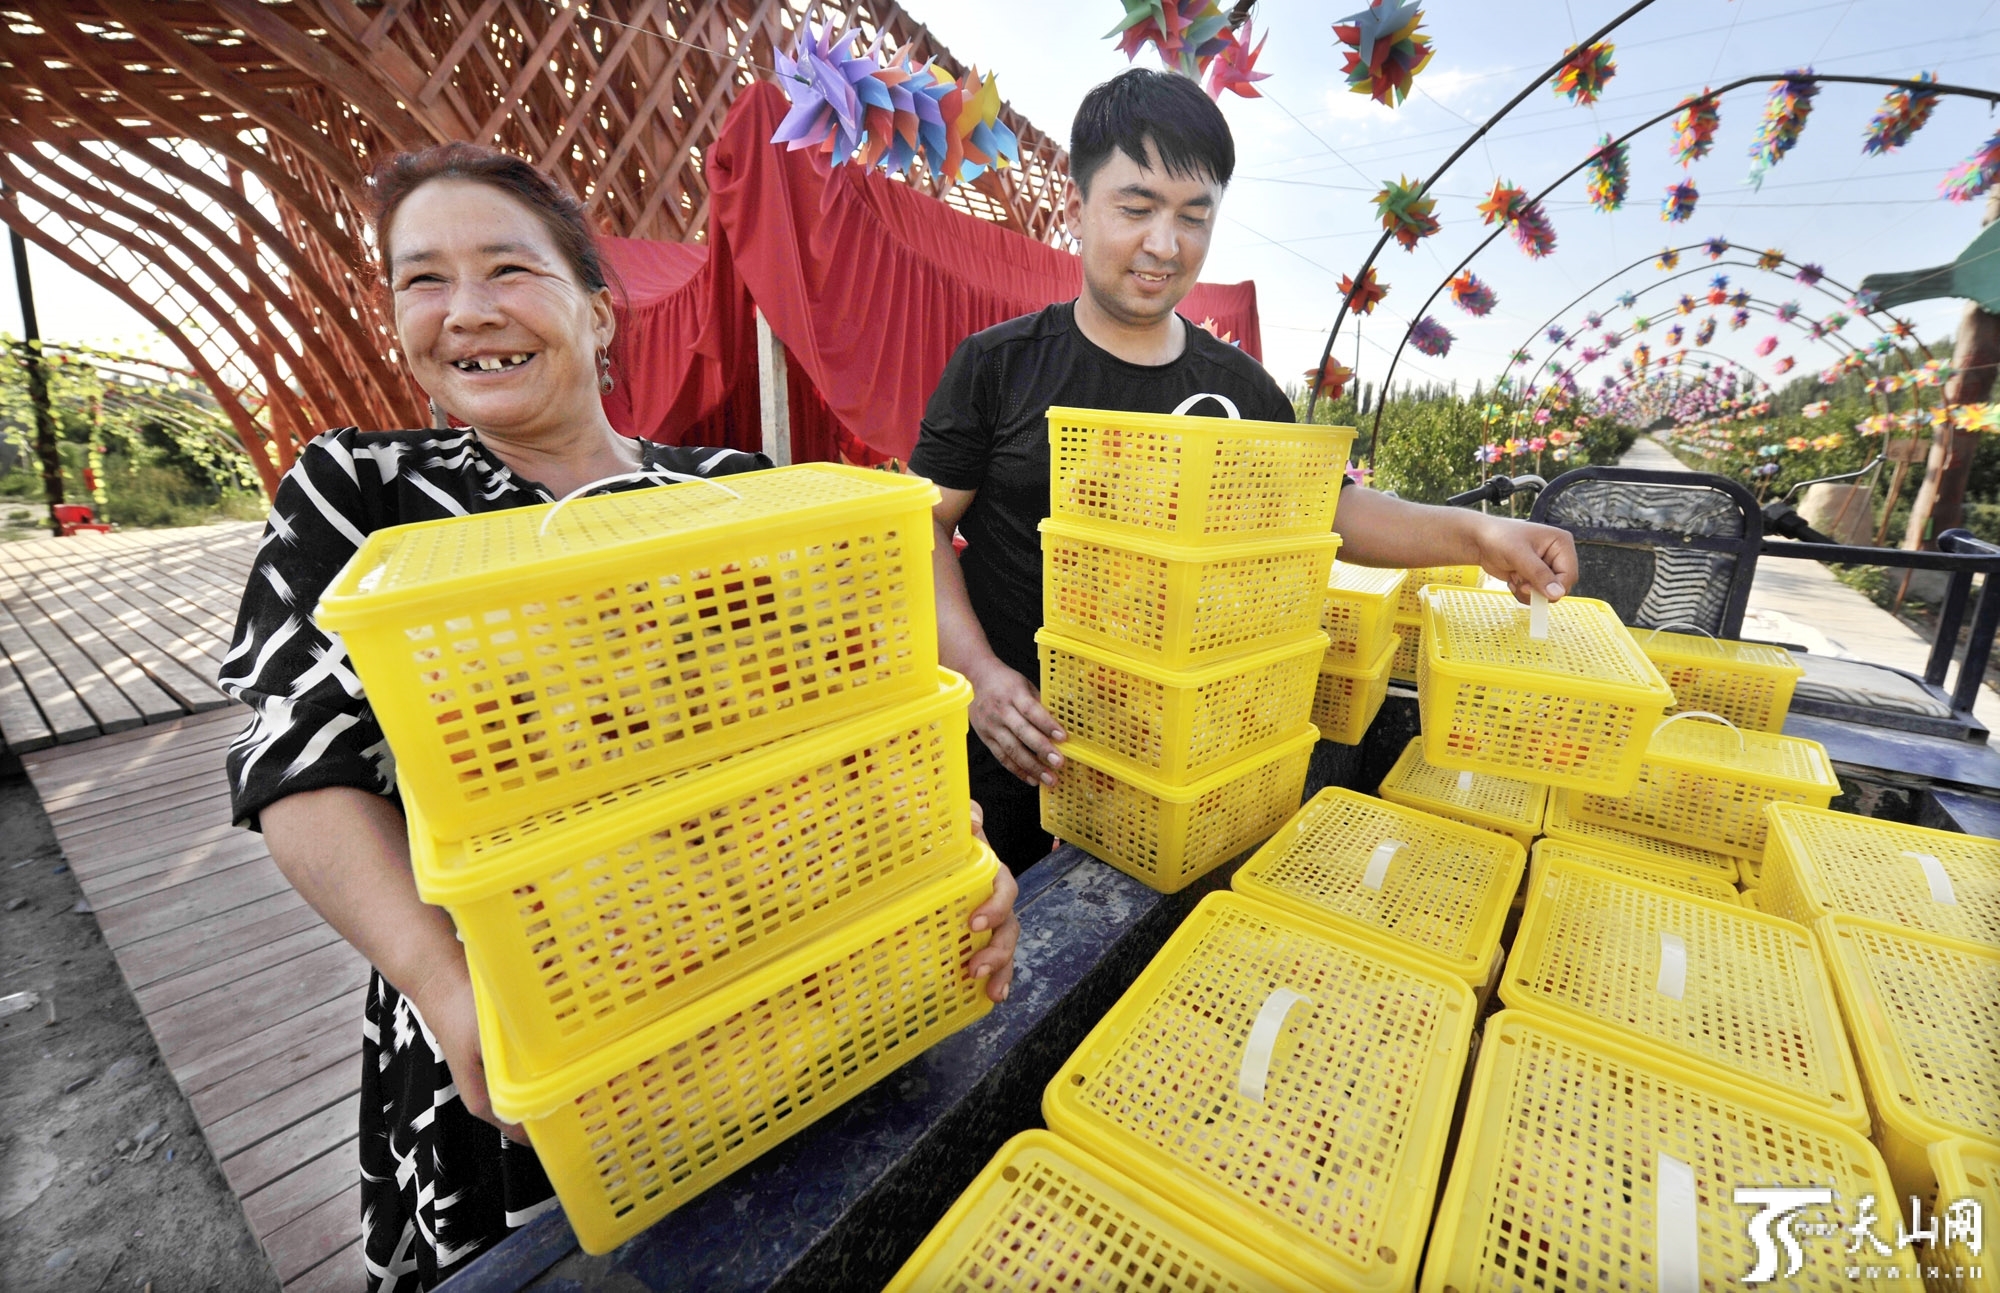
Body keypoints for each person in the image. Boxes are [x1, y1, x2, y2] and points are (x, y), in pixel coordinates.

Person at [219, 143, 1020, 1291]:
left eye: (508, 269)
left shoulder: (738, 488)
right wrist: (452, 992)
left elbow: (861, 735)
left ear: (599, 314)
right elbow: (295, 760)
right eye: (421, 279)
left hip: (766, 978)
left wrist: (960, 864)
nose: (466, 311)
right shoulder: (361, 491)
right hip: (512, 1028)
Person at [909, 69, 1580, 877]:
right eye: (1136, 208)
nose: (1166, 244)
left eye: (1195, 217)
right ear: (1078, 204)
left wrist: (1476, 532)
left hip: (1186, 756)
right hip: (1020, 743)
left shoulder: (1239, 391)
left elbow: (1331, 514)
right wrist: (980, 677)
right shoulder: (998, 367)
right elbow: (929, 525)